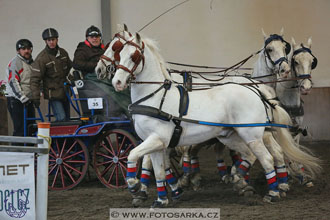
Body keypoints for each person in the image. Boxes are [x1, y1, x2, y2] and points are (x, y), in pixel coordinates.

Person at [72, 25, 131, 118]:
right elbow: (76, 64)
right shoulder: (82, 49)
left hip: (105, 77)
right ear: (87, 38)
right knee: (111, 92)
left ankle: (127, 111)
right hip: (91, 79)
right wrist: (97, 66)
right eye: (92, 37)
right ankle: (121, 113)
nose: (95, 39)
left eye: (97, 37)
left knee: (124, 89)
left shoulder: (104, 50)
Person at [31, 28, 72, 121]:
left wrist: (73, 80)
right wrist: (36, 97)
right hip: (53, 94)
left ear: (57, 40)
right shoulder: (42, 58)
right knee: (62, 118)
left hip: (65, 92)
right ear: (45, 41)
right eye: (49, 40)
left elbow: (71, 68)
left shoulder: (63, 53)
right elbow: (35, 79)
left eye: (53, 39)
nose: (51, 42)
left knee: (68, 120)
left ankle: (67, 135)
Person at [5, 39, 35, 137]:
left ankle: (31, 152)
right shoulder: (15, 63)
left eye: (28, 48)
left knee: (31, 128)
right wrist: (21, 97)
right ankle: (18, 152)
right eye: (23, 49)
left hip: (28, 99)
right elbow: (13, 81)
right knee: (20, 129)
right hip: (16, 100)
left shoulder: (31, 62)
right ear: (18, 51)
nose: (26, 51)